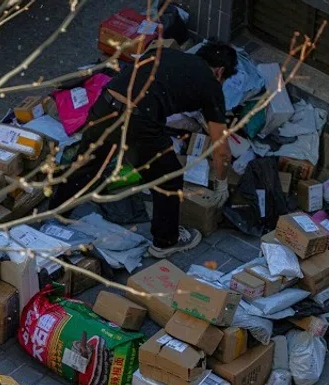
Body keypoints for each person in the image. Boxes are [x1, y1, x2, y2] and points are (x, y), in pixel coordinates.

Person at [49, 41, 238, 258]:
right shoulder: (210, 84)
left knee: (89, 164)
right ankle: (165, 242)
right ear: (220, 71)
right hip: (137, 122)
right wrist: (222, 183)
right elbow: (221, 150)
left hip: (105, 105)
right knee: (168, 179)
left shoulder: (166, 53)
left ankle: (56, 211)